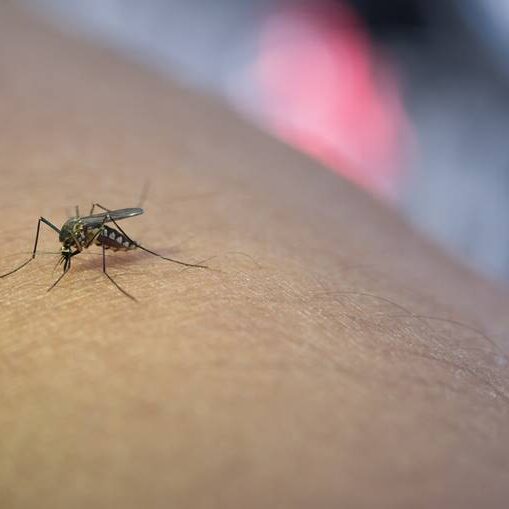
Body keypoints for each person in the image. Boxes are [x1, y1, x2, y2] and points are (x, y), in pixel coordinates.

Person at [0, 4, 508, 508]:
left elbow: (89, 222)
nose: (71, 250)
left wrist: (109, 249)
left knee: (97, 218)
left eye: (72, 248)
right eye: (71, 248)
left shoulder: (83, 232)